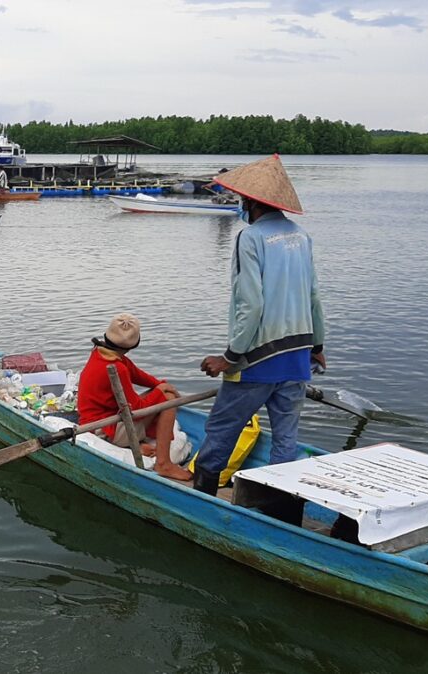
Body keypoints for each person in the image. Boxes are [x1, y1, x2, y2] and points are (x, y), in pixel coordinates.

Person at [193, 155, 326, 498]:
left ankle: (203, 493)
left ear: (250, 202)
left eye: (241, 200)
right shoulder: (301, 236)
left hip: (257, 359)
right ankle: (278, 505)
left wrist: (229, 356)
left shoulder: (250, 237)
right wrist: (318, 347)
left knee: (223, 427)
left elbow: (250, 305)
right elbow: (313, 297)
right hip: (298, 356)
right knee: (285, 437)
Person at [77, 313, 194, 480]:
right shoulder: (116, 367)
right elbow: (137, 408)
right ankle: (164, 464)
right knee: (169, 401)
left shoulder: (103, 353)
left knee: (165, 394)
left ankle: (143, 447)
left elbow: (138, 375)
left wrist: (161, 384)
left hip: (104, 419)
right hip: (102, 427)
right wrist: (162, 392)